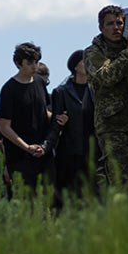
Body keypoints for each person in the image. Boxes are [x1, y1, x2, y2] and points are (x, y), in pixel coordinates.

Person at [85, 5, 128, 192]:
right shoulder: (93, 52)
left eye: (119, 23)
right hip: (113, 128)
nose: (116, 28)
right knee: (124, 184)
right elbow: (107, 76)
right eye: (110, 24)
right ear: (101, 28)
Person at [0, 42, 51, 197]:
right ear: (18, 63)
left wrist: (59, 119)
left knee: (48, 198)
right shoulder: (9, 89)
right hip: (20, 156)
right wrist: (27, 147)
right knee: (26, 201)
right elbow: (4, 127)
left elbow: (44, 112)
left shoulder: (40, 82)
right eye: (29, 63)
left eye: (36, 62)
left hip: (42, 150)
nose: (34, 66)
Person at [47, 49, 96, 208]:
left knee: (91, 197)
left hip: (93, 152)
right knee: (67, 198)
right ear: (75, 66)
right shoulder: (61, 92)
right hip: (68, 153)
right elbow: (56, 124)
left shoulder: (96, 89)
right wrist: (46, 147)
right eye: (84, 60)